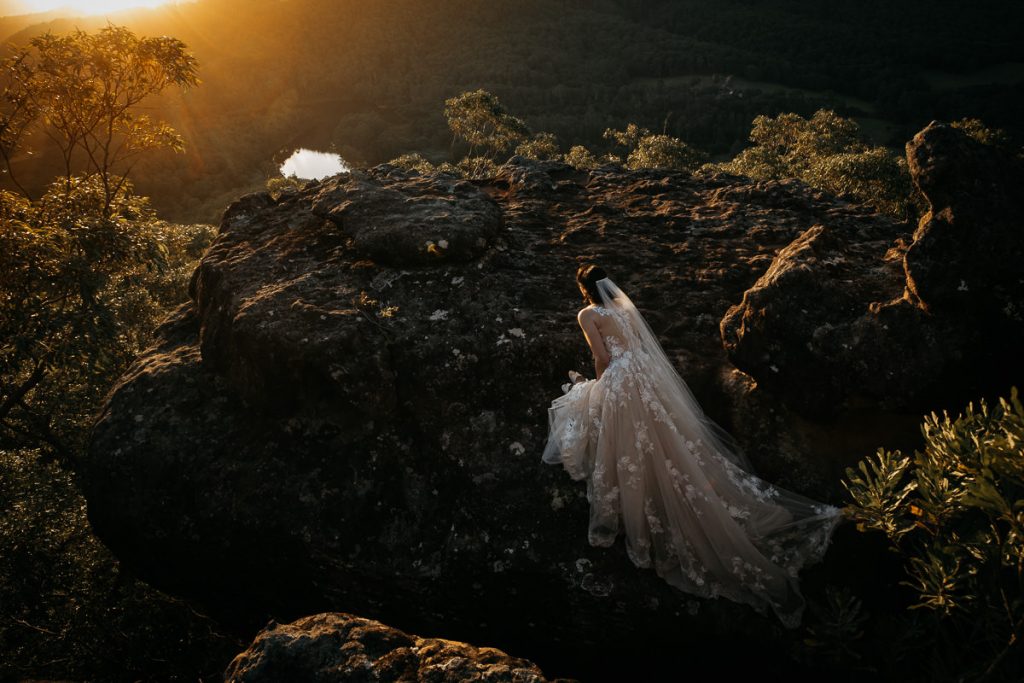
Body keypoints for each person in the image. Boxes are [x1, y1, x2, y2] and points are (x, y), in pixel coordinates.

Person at [542, 264, 843, 628]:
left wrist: (599, 386)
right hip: (646, 372)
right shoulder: (623, 307)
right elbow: (637, 344)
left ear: (583, 288)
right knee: (670, 437)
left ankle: (646, 504)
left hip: (623, 376)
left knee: (615, 429)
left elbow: (602, 357)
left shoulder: (588, 314)